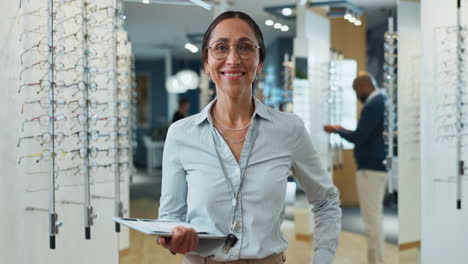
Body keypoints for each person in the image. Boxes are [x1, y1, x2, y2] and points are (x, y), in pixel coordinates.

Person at [157, 11, 341, 264]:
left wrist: (323, 259)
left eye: (245, 48)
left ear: (260, 61)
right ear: (207, 62)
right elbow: (170, 217)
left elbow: (326, 201)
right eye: (221, 48)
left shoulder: (288, 129)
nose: (233, 59)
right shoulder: (181, 134)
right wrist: (174, 235)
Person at [324, 72, 387, 264]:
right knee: (374, 216)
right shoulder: (383, 101)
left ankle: (376, 261)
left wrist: (337, 130)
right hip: (378, 166)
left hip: (370, 169)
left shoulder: (373, 105)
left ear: (363, 86)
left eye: (356, 90)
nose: (357, 95)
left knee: (371, 219)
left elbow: (359, 137)